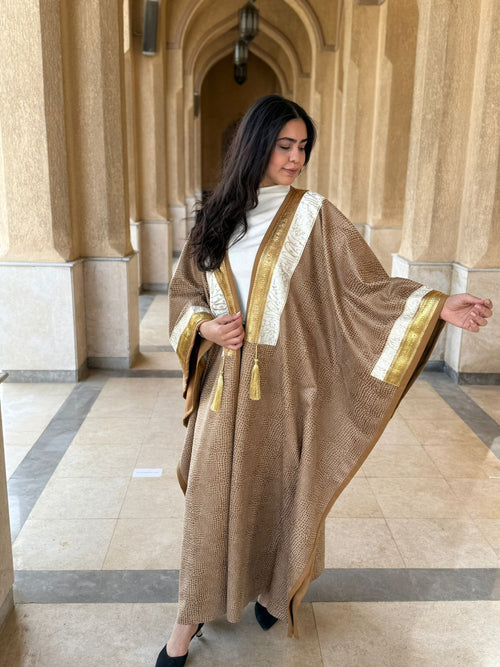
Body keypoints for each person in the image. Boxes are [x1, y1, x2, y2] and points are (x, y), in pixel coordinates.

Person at [157, 95, 493, 666]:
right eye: (284, 145)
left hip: (289, 389)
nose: (296, 158)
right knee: (211, 503)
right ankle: (186, 622)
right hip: (222, 392)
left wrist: (437, 305)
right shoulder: (214, 217)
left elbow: (366, 289)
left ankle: (274, 589)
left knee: (282, 492)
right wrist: (204, 328)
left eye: (303, 147)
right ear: (256, 145)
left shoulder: (315, 216)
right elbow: (185, 293)